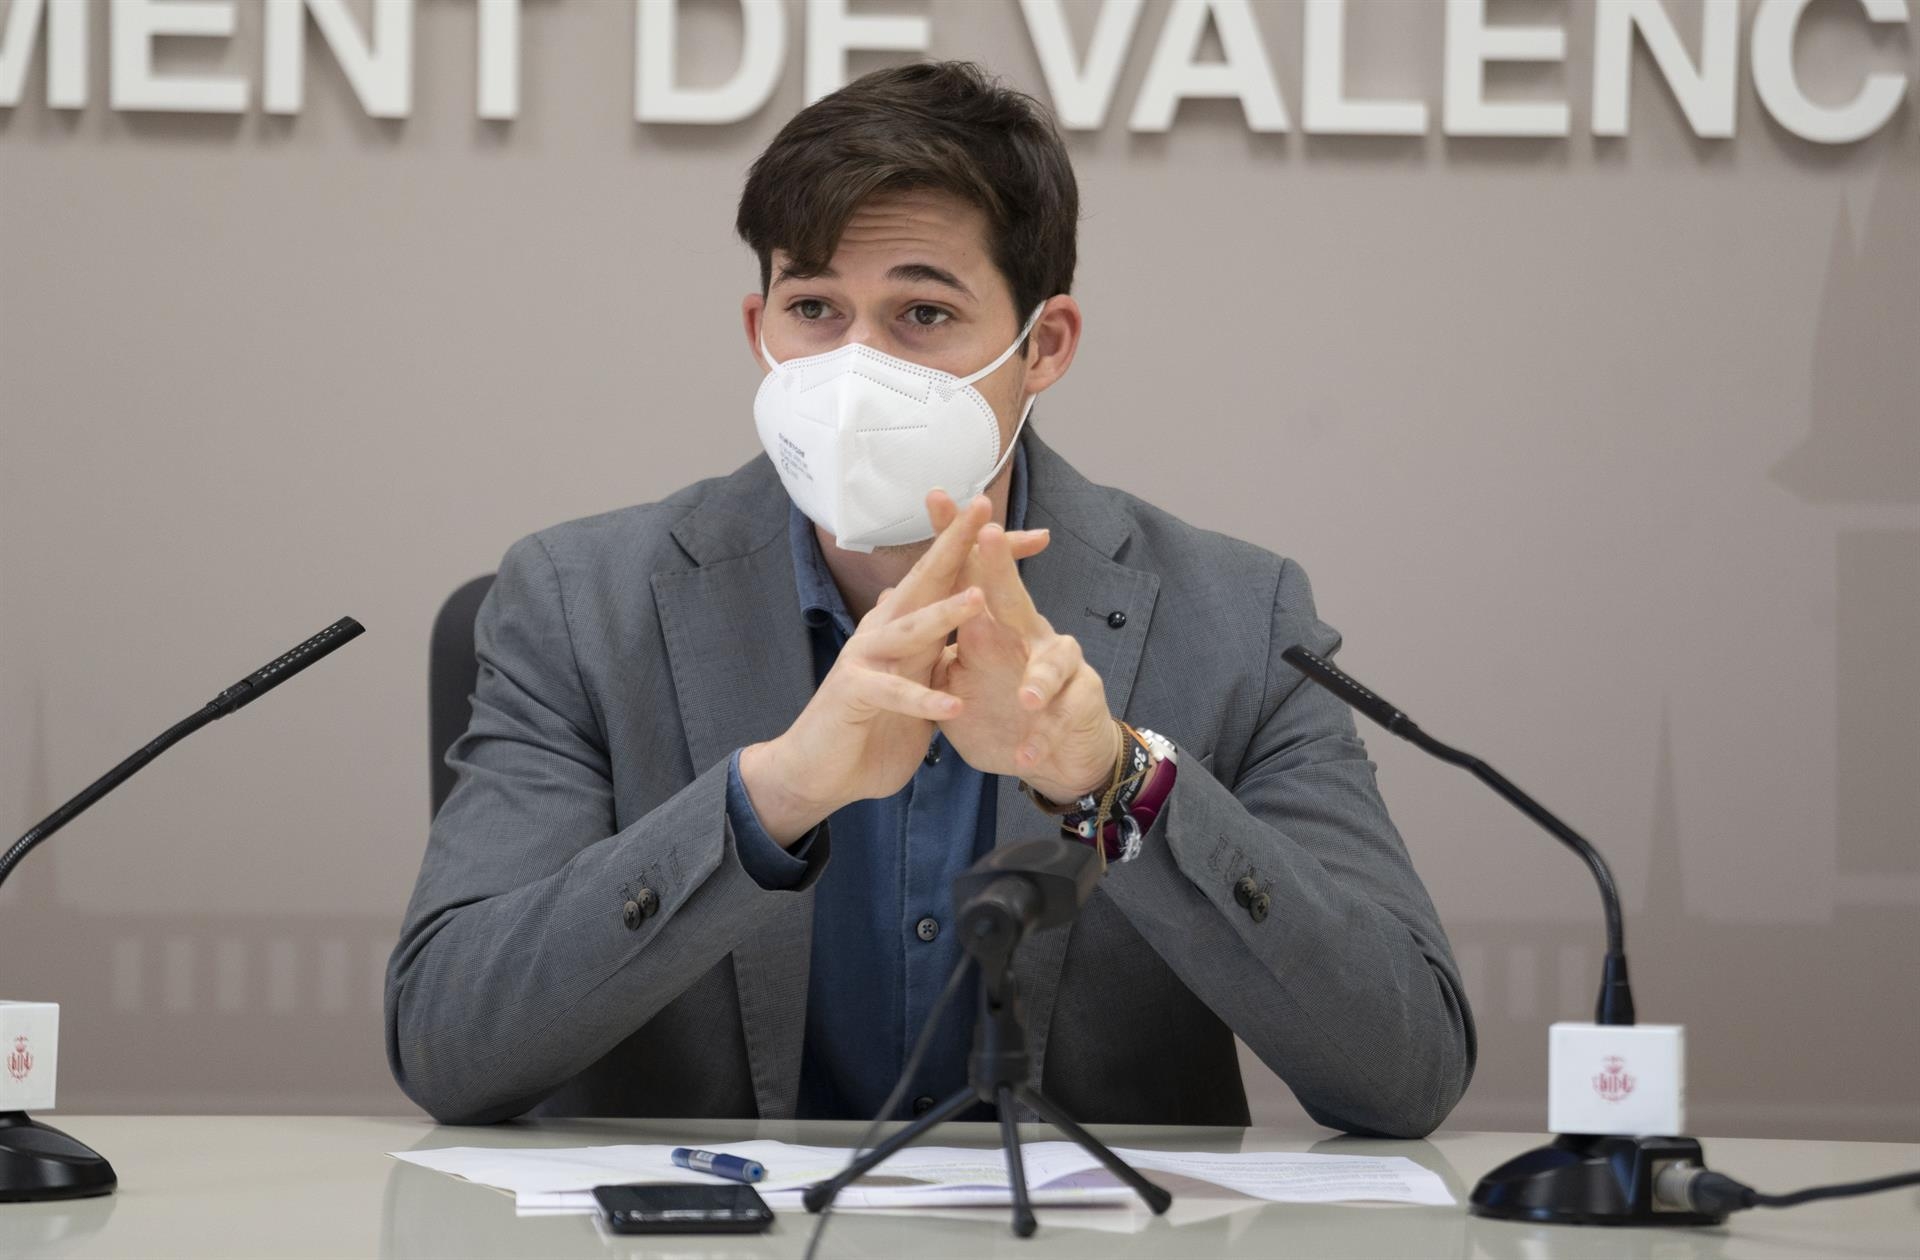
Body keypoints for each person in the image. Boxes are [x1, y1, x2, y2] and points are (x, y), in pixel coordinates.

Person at [385, 61, 1474, 1138]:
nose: (854, 369)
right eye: (814, 307)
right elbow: (449, 1046)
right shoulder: (580, 605)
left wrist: (1115, 782)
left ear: (1043, 345)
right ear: (759, 327)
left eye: (921, 312)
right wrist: (765, 801)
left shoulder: (1238, 619)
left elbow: (1405, 1070)